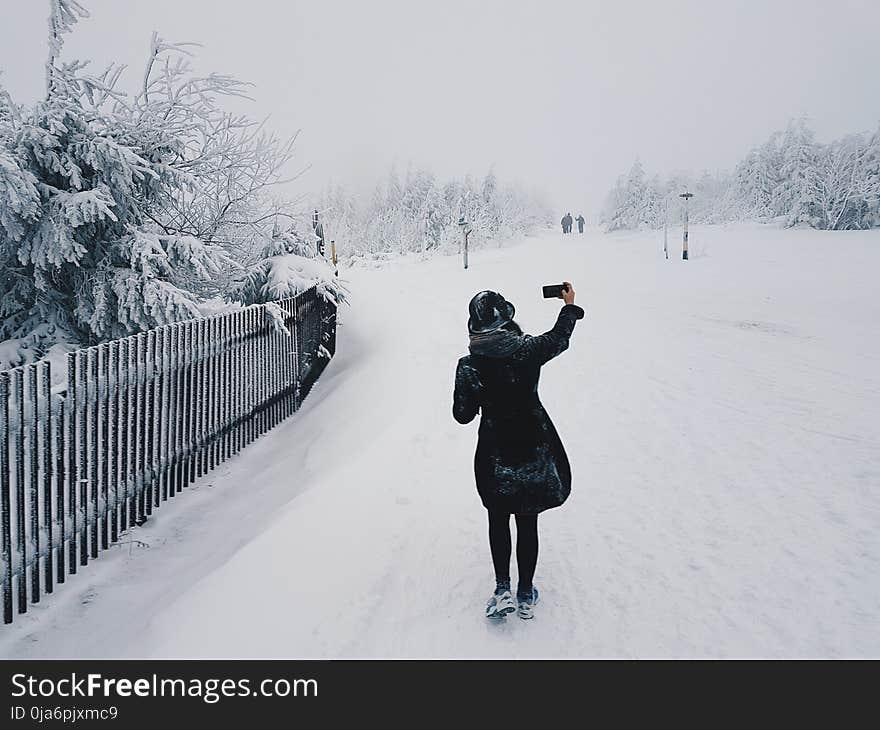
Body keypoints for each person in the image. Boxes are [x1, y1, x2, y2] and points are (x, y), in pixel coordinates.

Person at [453, 284, 585, 620]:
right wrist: (569, 305)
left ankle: (502, 590)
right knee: (528, 522)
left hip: (494, 456)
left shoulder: (469, 365)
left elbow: (463, 415)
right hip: (533, 452)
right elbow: (560, 338)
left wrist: (473, 390)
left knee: (498, 519)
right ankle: (525, 594)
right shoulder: (528, 351)